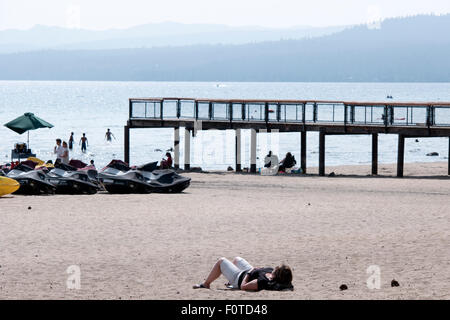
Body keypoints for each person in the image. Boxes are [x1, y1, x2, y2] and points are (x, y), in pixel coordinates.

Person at [193, 257, 293, 291]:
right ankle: (229, 283)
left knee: (221, 261)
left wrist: (249, 273)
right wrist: (256, 269)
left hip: (239, 278)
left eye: (277, 269)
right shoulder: (271, 272)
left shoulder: (263, 281)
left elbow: (243, 286)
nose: (275, 268)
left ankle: (206, 284)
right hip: (249, 271)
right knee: (237, 259)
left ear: (278, 274)